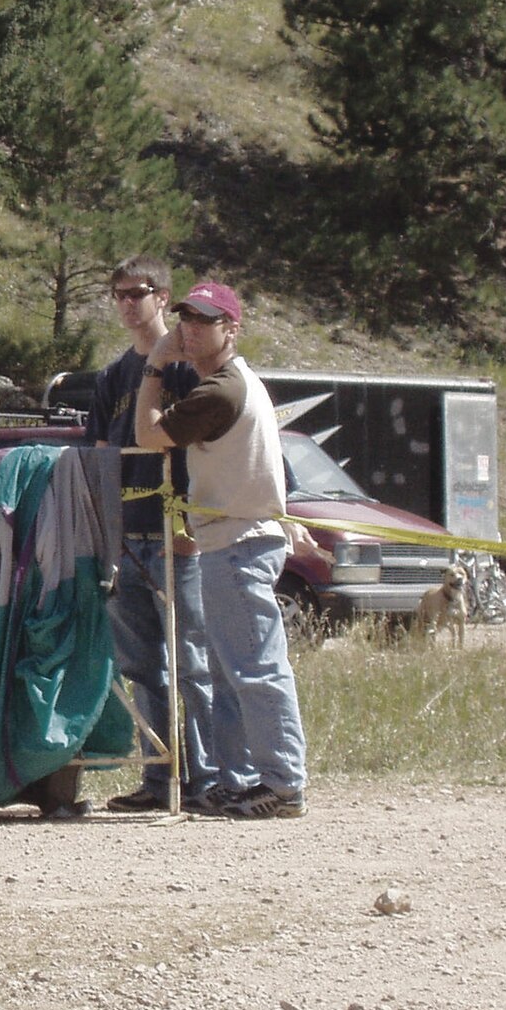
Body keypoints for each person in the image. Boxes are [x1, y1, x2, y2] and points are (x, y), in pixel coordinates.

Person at [134, 280, 313, 819]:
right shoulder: (238, 382)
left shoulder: (220, 391)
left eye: (204, 321)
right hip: (233, 540)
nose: (189, 329)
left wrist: (154, 367)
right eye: (186, 318)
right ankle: (247, 780)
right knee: (234, 670)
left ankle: (282, 783)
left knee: (255, 669)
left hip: (239, 543)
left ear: (230, 330)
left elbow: (148, 434)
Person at [85, 257, 216, 813]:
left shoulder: (186, 371)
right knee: (142, 664)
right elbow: (97, 456)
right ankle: (159, 777)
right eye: (118, 294)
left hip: (175, 533)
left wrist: (187, 521)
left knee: (193, 659)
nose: (127, 303)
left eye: (137, 292)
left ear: (163, 298)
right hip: (126, 535)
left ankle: (208, 778)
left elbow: (195, 451)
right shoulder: (113, 376)